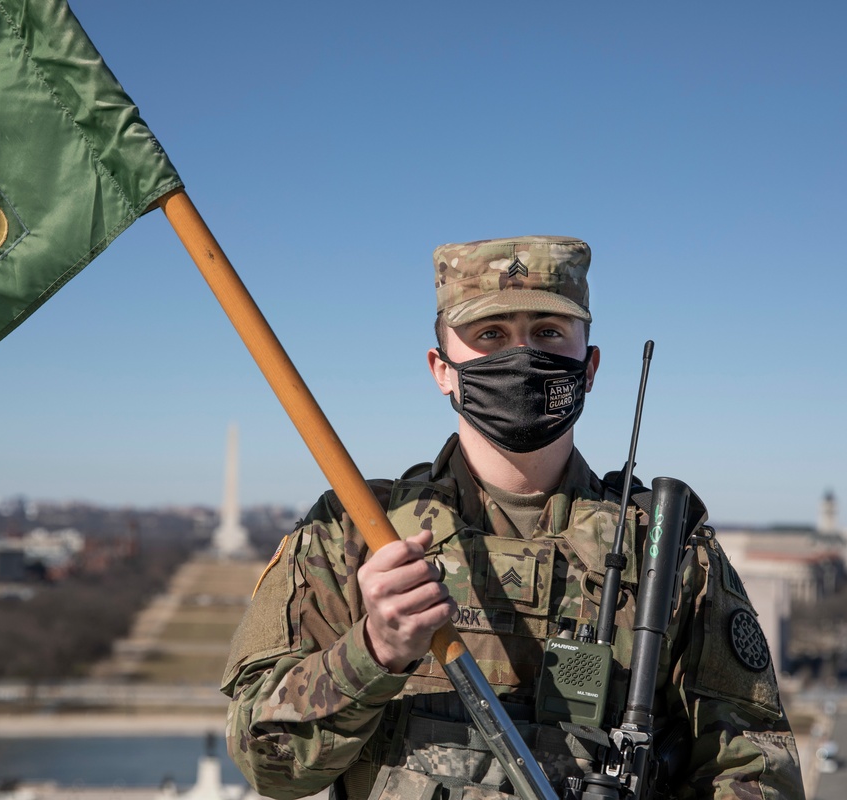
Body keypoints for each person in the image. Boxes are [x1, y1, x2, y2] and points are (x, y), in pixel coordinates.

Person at [221, 236, 805, 800]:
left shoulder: (668, 552)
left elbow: (754, 765)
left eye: (549, 332)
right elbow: (266, 765)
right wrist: (372, 650)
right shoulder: (351, 533)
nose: (521, 356)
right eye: (490, 334)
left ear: (590, 365)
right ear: (441, 368)